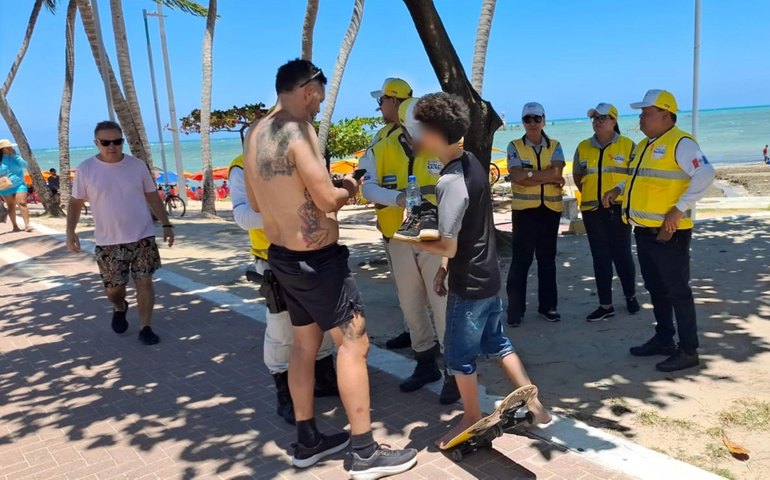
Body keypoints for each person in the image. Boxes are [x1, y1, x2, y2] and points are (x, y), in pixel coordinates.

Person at [242, 59, 417, 478]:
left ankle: (309, 440)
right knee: (354, 345)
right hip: (318, 261)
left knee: (304, 346)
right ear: (307, 90)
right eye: (319, 96)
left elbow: (255, 198)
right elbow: (325, 200)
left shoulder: (254, 134)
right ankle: (364, 452)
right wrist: (349, 187)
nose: (320, 105)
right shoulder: (298, 131)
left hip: (282, 256)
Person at [401, 92, 551, 446]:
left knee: (458, 356)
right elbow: (467, 228)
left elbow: (448, 243)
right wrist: (441, 270)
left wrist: (412, 240)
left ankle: (472, 415)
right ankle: (539, 409)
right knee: (498, 342)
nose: (417, 137)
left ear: (436, 134)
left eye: (421, 130)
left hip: (468, 284)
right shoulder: (471, 162)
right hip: (488, 273)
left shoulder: (450, 181)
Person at [603, 89, 715, 372]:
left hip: (670, 233)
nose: (641, 117)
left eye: (646, 112)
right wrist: (618, 190)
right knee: (656, 288)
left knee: (678, 291)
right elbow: (637, 180)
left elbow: (706, 173)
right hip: (644, 230)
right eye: (641, 113)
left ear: (666, 115)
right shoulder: (644, 146)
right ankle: (664, 339)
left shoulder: (682, 143)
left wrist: (679, 208)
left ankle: (688, 350)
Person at [360, 96, 459, 402]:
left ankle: (454, 373)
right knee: (411, 303)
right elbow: (366, 185)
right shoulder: (380, 149)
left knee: (441, 303)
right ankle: (425, 361)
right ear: (404, 125)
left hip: (434, 238)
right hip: (398, 237)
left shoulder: (439, 147)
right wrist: (398, 199)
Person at [228, 153, 338, 425]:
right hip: (272, 256)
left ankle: (323, 377)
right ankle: (284, 392)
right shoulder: (243, 165)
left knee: (322, 320)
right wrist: (287, 210)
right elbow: (242, 215)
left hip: (315, 251)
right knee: (281, 328)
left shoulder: (304, 158)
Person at [66, 121, 174, 346]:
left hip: (142, 236)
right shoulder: (86, 169)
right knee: (114, 290)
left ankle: (145, 327)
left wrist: (166, 224)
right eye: (106, 142)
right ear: (96, 143)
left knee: (145, 282)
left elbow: (152, 196)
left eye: (117, 141)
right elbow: (76, 202)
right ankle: (119, 306)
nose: (112, 146)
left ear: (122, 141)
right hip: (108, 242)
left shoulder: (137, 166)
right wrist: (70, 232)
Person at [572, 103, 640, 322]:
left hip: (618, 210)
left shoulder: (628, 146)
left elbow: (634, 177)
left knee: (622, 255)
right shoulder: (583, 147)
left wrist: (617, 193)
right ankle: (605, 305)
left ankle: (630, 296)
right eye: (595, 118)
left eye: (603, 118)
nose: (598, 121)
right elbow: (577, 175)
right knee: (600, 258)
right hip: (592, 211)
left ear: (614, 121)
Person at [366, 77, 416, 350]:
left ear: (394, 102)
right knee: (404, 289)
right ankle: (412, 331)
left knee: (418, 291)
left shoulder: (412, 136)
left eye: (382, 100)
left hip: (409, 228)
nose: (379, 106)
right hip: (391, 224)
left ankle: (424, 341)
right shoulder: (383, 135)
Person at [505, 103, 566, 327]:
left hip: (550, 211)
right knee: (521, 261)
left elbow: (558, 172)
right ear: (522, 121)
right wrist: (547, 175)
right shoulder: (514, 145)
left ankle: (548, 307)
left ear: (544, 119)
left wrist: (531, 174)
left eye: (536, 118)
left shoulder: (555, 146)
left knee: (547, 260)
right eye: (527, 119)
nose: (532, 123)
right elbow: (517, 176)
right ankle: (515, 311)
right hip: (524, 212)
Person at [0, 139, 33, 232]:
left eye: (10, 146)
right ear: (2, 149)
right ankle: (15, 226)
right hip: (5, 186)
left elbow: (24, 165)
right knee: (11, 206)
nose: (9, 148)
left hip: (19, 184)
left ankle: (27, 225)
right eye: (7, 147)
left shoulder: (15, 156)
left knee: (22, 203)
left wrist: (15, 156)